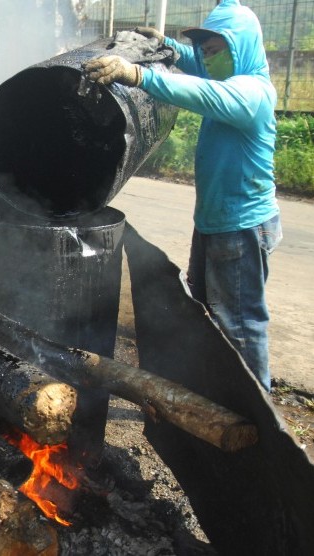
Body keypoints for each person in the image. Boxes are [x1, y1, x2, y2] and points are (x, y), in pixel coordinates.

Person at [84, 0, 281, 392]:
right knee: (208, 312)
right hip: (214, 222)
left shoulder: (252, 93)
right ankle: (221, 395)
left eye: (215, 51)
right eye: (204, 52)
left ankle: (260, 415)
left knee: (241, 324)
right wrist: (171, 49)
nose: (207, 60)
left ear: (239, 49)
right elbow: (197, 67)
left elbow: (200, 91)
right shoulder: (230, 74)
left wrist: (139, 75)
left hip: (242, 227)